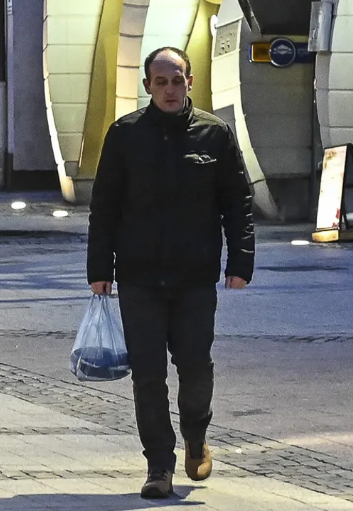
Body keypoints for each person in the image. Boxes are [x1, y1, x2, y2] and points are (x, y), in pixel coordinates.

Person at [87, 47, 255, 500]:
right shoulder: (124, 135)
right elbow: (104, 206)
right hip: (139, 277)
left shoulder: (213, 134)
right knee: (148, 375)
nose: (169, 89)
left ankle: (196, 436)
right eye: (160, 82)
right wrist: (99, 268)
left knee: (195, 366)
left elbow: (237, 201)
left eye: (176, 80)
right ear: (147, 87)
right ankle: (159, 464)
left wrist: (241, 262)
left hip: (194, 277)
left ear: (190, 82)